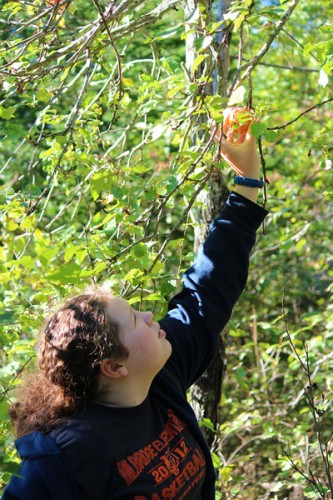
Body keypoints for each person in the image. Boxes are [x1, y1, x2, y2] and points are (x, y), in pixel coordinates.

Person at [2, 109, 268, 500]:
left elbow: (205, 293)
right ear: (114, 366)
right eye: (133, 319)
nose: (149, 315)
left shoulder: (161, 377)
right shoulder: (64, 459)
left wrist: (246, 181)